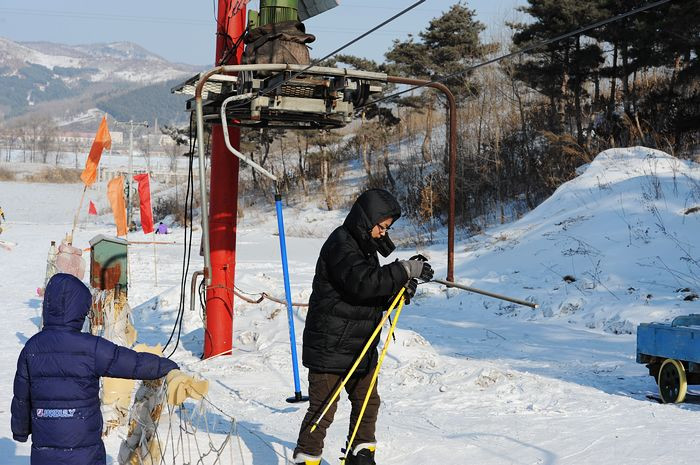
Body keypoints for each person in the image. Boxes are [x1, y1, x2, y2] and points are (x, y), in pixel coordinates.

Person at [293, 189, 433, 465]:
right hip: (330, 346)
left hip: (360, 345)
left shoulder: (365, 249)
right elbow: (362, 282)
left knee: (368, 402)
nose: (384, 233)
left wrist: (398, 291)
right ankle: (306, 458)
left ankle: (361, 455)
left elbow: (369, 295)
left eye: (387, 228)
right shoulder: (341, 245)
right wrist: (403, 270)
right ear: (367, 219)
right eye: (382, 227)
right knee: (323, 411)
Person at [11, 273, 179, 465]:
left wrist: (20, 430)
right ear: (79, 309)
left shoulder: (32, 348)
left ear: (48, 305)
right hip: (85, 450)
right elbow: (130, 362)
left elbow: (21, 398)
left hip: (45, 450)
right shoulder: (90, 347)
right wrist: (164, 366)